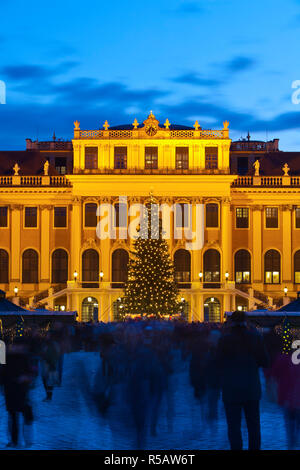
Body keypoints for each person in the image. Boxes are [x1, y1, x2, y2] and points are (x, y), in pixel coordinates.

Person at [216, 311, 269, 450]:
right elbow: (265, 361)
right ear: (246, 322)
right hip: (251, 388)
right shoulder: (255, 338)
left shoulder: (224, 340)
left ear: (231, 322)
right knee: (254, 426)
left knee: (234, 427)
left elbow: (217, 363)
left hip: (231, 389)